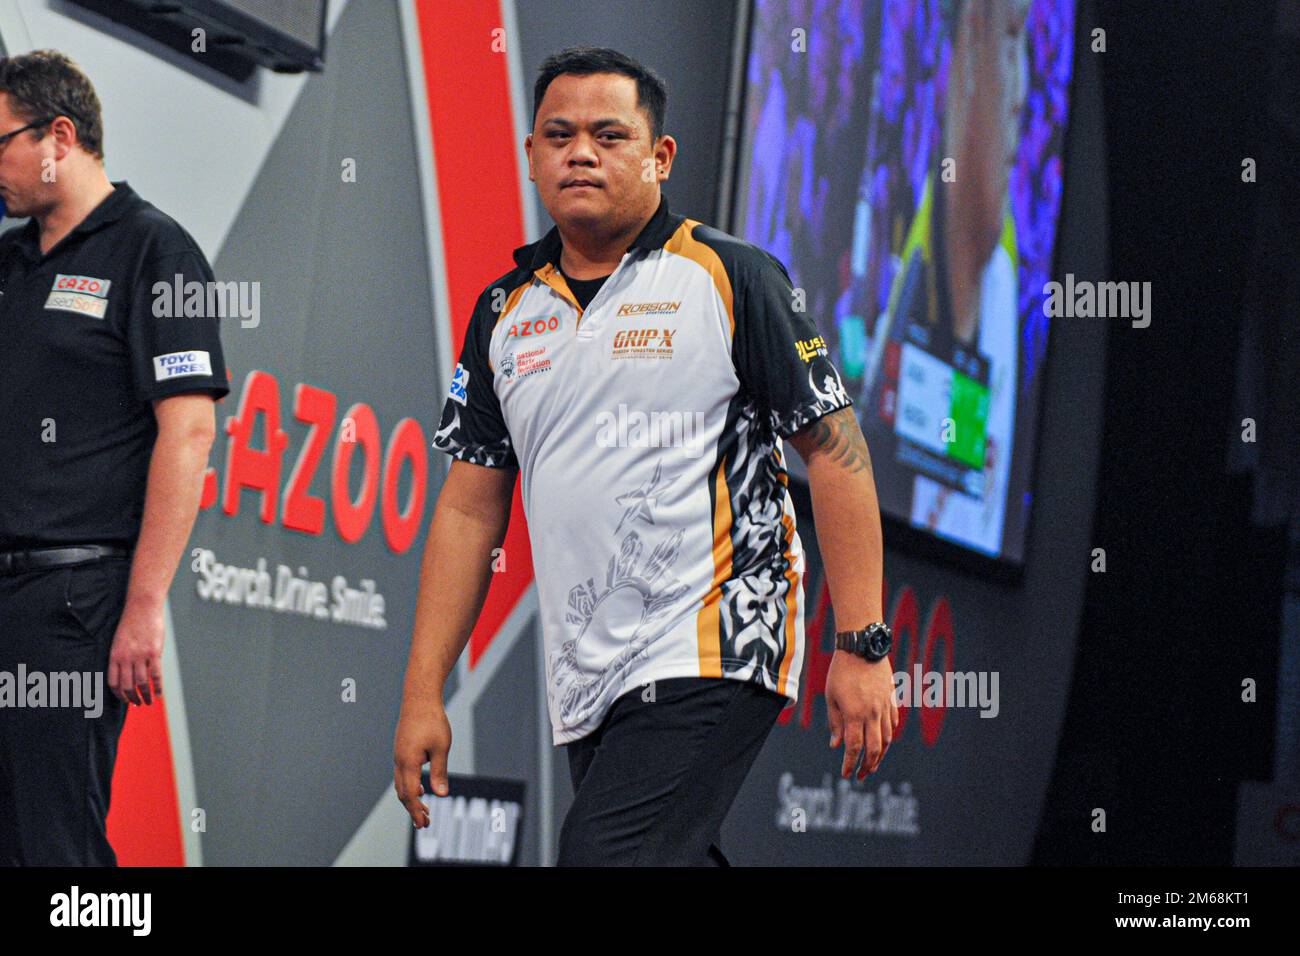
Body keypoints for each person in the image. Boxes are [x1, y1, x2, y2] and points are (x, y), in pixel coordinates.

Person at [394, 46, 896, 866]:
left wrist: (862, 645)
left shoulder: (731, 277)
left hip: (719, 636)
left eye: (609, 135)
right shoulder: (503, 313)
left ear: (660, 157)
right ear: (530, 156)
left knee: (603, 855)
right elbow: (466, 508)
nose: (580, 152)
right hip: (589, 668)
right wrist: (423, 693)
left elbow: (837, 453)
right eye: (558, 135)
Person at [0, 50, 229, 866]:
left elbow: (190, 432)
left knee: (55, 846)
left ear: (59, 135)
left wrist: (143, 604)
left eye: (1, 145)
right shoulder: (9, 263)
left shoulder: (158, 251)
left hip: (73, 600)